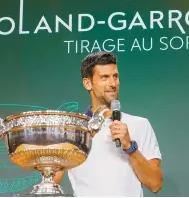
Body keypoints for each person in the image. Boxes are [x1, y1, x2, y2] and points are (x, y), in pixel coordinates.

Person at [54, 51, 163, 196]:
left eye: (115, 76)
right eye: (104, 77)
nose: (113, 84)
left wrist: (130, 147)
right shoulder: (73, 131)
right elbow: (51, 183)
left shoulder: (140, 124)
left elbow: (155, 184)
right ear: (88, 83)